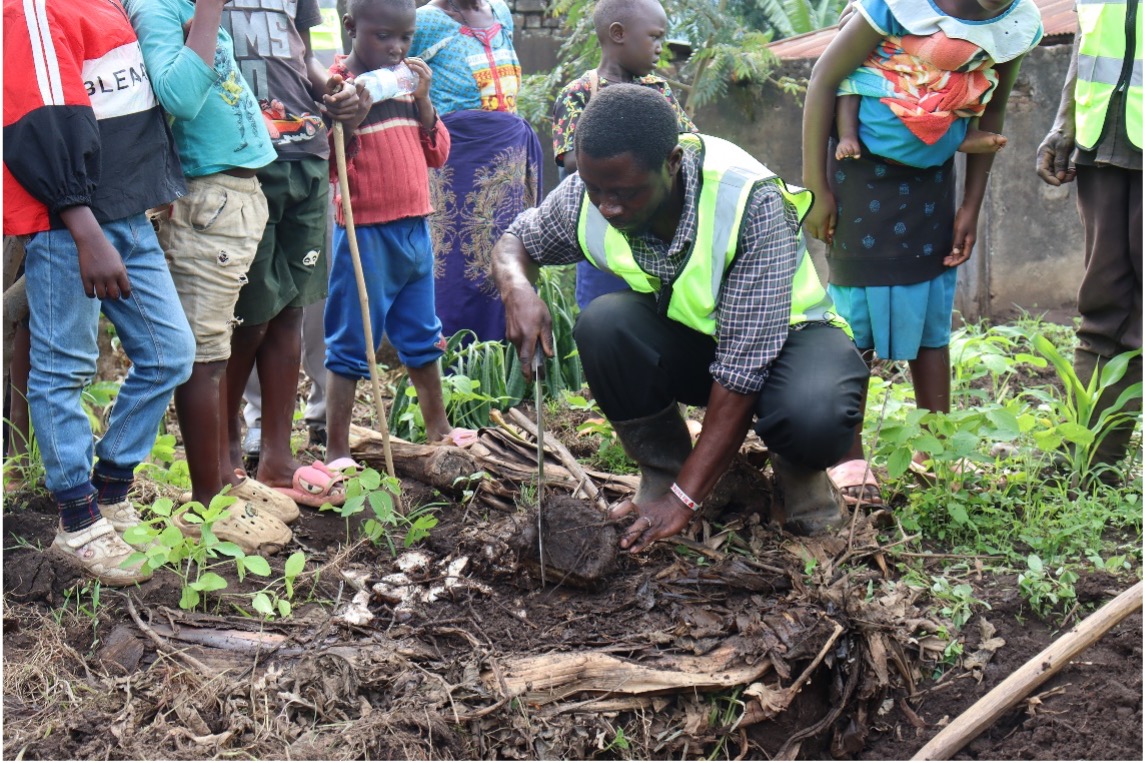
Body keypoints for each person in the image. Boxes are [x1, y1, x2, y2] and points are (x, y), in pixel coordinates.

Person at [493, 84, 870, 552]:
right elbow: (516, 241)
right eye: (596, 190)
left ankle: (799, 475)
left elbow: (743, 371)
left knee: (813, 413)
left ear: (671, 163)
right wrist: (518, 288)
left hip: (793, 341)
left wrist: (685, 501)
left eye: (625, 193)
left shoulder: (749, 202)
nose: (607, 207)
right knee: (604, 324)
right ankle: (662, 471)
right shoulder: (591, 191)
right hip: (702, 341)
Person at [802, 0, 1042, 504]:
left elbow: (990, 111)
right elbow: (825, 80)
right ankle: (848, 454)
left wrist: (971, 205)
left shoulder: (1012, 25)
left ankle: (936, 449)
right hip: (861, 175)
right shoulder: (892, 7)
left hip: (934, 181)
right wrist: (816, 188)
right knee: (854, 319)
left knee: (933, 310)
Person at [3, 0, 196, 583]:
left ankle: (111, 488)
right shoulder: (32, 9)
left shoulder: (108, 3)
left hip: (125, 213)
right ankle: (77, 521)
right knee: (64, 366)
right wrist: (83, 227)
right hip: (72, 225)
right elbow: (36, 117)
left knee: (170, 353)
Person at [128, 0, 298, 551]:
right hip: (209, 201)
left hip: (237, 198)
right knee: (202, 355)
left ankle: (224, 479)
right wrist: (206, 15)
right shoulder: (156, 8)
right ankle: (207, 504)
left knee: (217, 349)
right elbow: (177, 94)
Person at [318, 0, 475, 481]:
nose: (396, 48)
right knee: (351, 339)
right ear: (351, 27)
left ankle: (438, 431)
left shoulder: (406, 82)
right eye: (383, 36)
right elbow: (329, 163)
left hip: (414, 227)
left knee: (422, 335)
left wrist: (425, 100)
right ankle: (336, 449)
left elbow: (439, 153)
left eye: (404, 38)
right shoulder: (337, 86)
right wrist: (349, 120)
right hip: (366, 233)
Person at [218, 0, 364, 508]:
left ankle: (278, 458)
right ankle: (227, 452)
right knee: (247, 316)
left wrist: (333, 92)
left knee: (290, 310)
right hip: (240, 162)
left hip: (304, 152)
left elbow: (300, 58)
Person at [1036, 0, 1141, 484]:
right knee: (1104, 305)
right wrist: (1065, 124)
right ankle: (1089, 461)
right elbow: (1089, 35)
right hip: (1105, 141)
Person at [409, 0, 543, 342]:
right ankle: (452, 372)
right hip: (454, 168)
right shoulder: (424, 22)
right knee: (455, 272)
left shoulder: (500, 12)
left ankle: (504, 369)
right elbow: (397, 83)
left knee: (507, 260)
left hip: (506, 169)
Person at [551, 0, 697, 309]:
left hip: (659, 231)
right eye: (654, 37)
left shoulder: (657, 90)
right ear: (618, 33)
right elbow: (569, 159)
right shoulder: (580, 93)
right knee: (603, 312)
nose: (660, 47)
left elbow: (691, 143)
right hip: (604, 231)